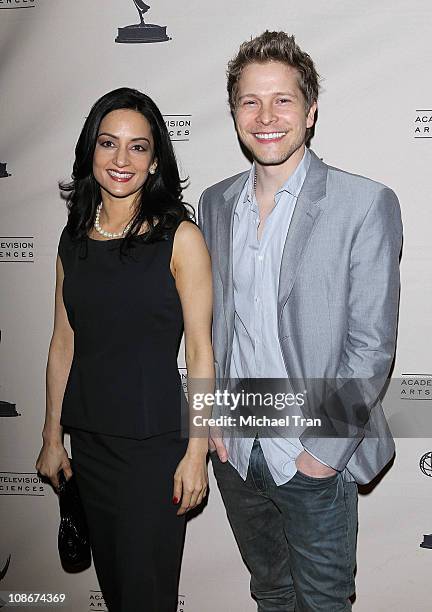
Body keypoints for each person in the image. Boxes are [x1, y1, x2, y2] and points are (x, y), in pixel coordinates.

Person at [198, 31, 402, 611]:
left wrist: (320, 454)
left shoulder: (364, 204)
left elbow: (369, 349)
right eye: (250, 101)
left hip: (314, 451)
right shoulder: (213, 204)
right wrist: (213, 426)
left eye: (282, 100)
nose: (266, 117)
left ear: (311, 112)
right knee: (270, 594)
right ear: (234, 112)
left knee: (324, 602)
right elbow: (212, 328)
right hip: (237, 447)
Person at [36, 87, 214, 612]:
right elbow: (61, 343)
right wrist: (52, 437)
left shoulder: (179, 238)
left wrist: (197, 452)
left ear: (156, 158)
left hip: (151, 450)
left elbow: (202, 354)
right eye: (109, 143)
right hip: (89, 445)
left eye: (138, 147)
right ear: (90, 150)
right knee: (117, 593)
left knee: (146, 596)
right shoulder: (74, 238)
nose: (121, 159)